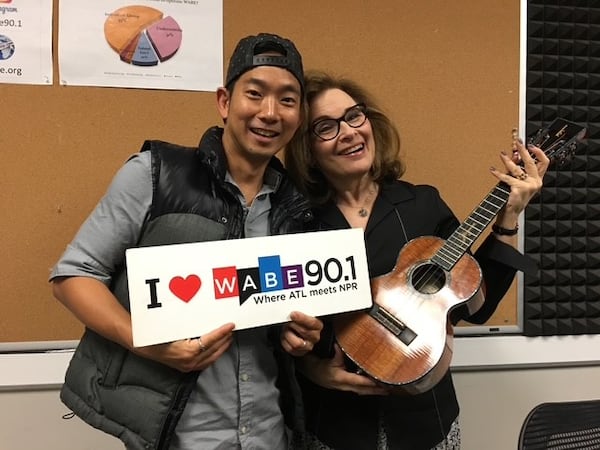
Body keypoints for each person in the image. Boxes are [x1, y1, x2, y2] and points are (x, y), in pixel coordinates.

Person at [49, 33, 323, 450]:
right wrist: (146, 343)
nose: (269, 112)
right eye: (255, 94)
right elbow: (74, 276)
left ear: (298, 116)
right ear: (224, 102)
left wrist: (299, 337)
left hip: (269, 432)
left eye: (287, 100)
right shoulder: (155, 174)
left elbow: (284, 314)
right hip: (176, 436)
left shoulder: (295, 206)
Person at [284, 71, 549, 450]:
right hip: (332, 424)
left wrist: (507, 220)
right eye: (325, 126)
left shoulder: (423, 204)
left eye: (354, 116)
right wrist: (308, 369)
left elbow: (476, 306)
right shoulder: (294, 222)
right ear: (305, 147)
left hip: (427, 420)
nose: (348, 132)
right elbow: (273, 323)